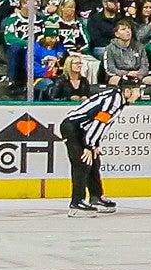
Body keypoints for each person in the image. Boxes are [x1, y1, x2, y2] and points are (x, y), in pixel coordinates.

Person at [60, 80, 144, 216]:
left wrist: (94, 144)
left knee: (94, 162)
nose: (139, 94)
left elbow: (102, 124)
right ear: (127, 91)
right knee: (82, 164)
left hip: (83, 130)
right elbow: (99, 122)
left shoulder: (118, 99)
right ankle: (76, 203)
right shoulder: (114, 101)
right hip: (73, 128)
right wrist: (89, 145)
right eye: (137, 91)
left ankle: (96, 197)